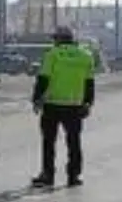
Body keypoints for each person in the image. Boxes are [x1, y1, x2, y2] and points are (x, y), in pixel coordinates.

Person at [31, 26, 96, 188]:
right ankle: (74, 176)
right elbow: (89, 82)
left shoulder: (52, 54)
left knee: (49, 142)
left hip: (52, 104)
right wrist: (88, 102)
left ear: (58, 39)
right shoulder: (86, 55)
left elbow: (43, 79)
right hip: (75, 105)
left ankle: (48, 175)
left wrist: (36, 99)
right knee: (74, 141)